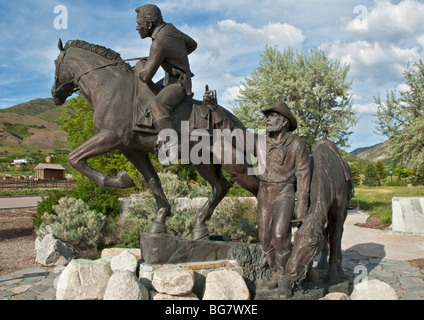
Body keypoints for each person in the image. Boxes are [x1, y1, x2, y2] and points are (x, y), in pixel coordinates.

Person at [204, 93, 310, 298]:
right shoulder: (260, 142)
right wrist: (215, 109)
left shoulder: (297, 145)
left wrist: (302, 208)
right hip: (265, 191)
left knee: (280, 234)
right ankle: (274, 274)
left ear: (284, 122)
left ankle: (284, 276)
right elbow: (234, 134)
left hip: (284, 191)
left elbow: (304, 177)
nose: (268, 120)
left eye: (272, 116)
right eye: (268, 116)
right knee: (264, 237)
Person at [135, 4, 197, 152]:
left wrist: (139, 69)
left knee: (157, 105)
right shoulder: (170, 29)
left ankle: (171, 145)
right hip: (170, 80)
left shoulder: (159, 42)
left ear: (149, 24)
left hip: (179, 84)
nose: (137, 28)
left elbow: (145, 76)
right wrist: (173, 55)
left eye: (139, 24)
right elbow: (192, 44)